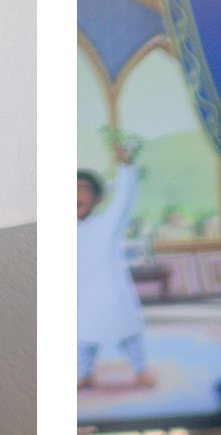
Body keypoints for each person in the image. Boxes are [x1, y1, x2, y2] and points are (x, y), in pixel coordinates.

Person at [78, 141, 153, 389]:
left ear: (98, 198)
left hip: (111, 291)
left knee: (128, 333)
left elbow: (124, 197)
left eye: (84, 188)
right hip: (80, 293)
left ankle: (140, 369)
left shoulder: (107, 222)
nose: (77, 194)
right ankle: (83, 374)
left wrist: (126, 166)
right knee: (81, 336)